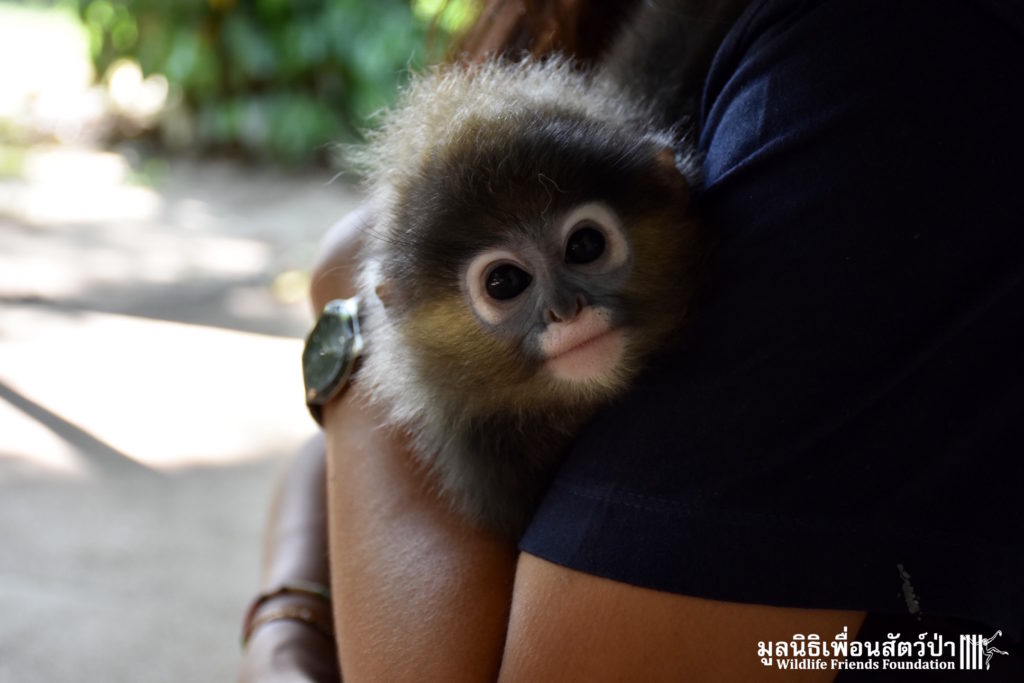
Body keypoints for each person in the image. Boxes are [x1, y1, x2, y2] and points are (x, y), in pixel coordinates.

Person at [238, 0, 1024, 680]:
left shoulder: (860, 70)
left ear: (668, 183)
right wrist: (286, 621)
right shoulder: (587, 41)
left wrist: (346, 304)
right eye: (507, 284)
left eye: (585, 248)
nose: (564, 307)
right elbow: (325, 463)